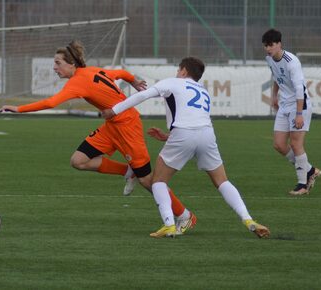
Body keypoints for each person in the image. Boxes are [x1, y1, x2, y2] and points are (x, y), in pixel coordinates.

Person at [0, 40, 195, 234]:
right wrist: (133, 80)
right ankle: (128, 172)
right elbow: (119, 73)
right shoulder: (92, 71)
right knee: (78, 160)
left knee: (148, 181)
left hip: (128, 126)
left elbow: (51, 102)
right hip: (112, 126)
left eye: (58, 63)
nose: (54, 68)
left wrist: (18, 109)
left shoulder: (77, 81)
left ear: (71, 64)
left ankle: (185, 215)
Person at [101, 57, 270, 239]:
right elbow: (194, 120)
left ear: (183, 71)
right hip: (207, 134)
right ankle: (248, 219)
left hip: (183, 133)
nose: (176, 73)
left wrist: (114, 110)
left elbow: (143, 95)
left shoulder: (173, 82)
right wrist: (168, 136)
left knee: (158, 181)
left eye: (178, 70)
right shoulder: (203, 91)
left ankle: (169, 225)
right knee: (222, 181)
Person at [262, 29, 321, 195]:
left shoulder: (291, 61)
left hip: (299, 105)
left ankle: (303, 184)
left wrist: (299, 113)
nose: (268, 48)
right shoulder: (269, 59)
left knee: (296, 145)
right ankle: (309, 170)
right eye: (266, 46)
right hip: (284, 105)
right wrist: (274, 96)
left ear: (279, 44)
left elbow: (299, 89)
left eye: (271, 45)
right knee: (279, 145)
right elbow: (276, 77)